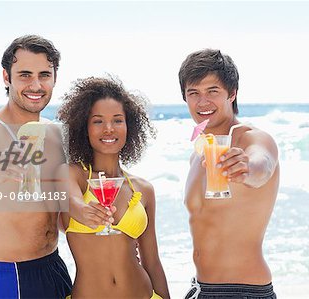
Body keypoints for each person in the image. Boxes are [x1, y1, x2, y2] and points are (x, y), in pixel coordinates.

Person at [0, 35, 111, 299]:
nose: (36, 85)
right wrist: (0, 170)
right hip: (10, 274)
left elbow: (58, 207)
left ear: (54, 78)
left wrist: (91, 216)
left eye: (44, 75)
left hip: (53, 266)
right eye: (25, 75)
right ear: (7, 77)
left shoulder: (55, 133)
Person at [56, 76, 170, 299]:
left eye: (118, 120)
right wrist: (84, 211)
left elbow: (152, 261)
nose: (109, 129)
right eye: (98, 121)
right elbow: (72, 201)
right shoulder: (72, 174)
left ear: (129, 127)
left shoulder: (143, 189)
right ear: (84, 128)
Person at [179, 49, 279, 299]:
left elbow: (262, 165)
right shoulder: (199, 153)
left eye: (212, 91)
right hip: (201, 289)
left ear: (232, 94)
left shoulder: (251, 138)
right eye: (194, 93)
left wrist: (247, 167)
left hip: (244, 291)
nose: (202, 102)